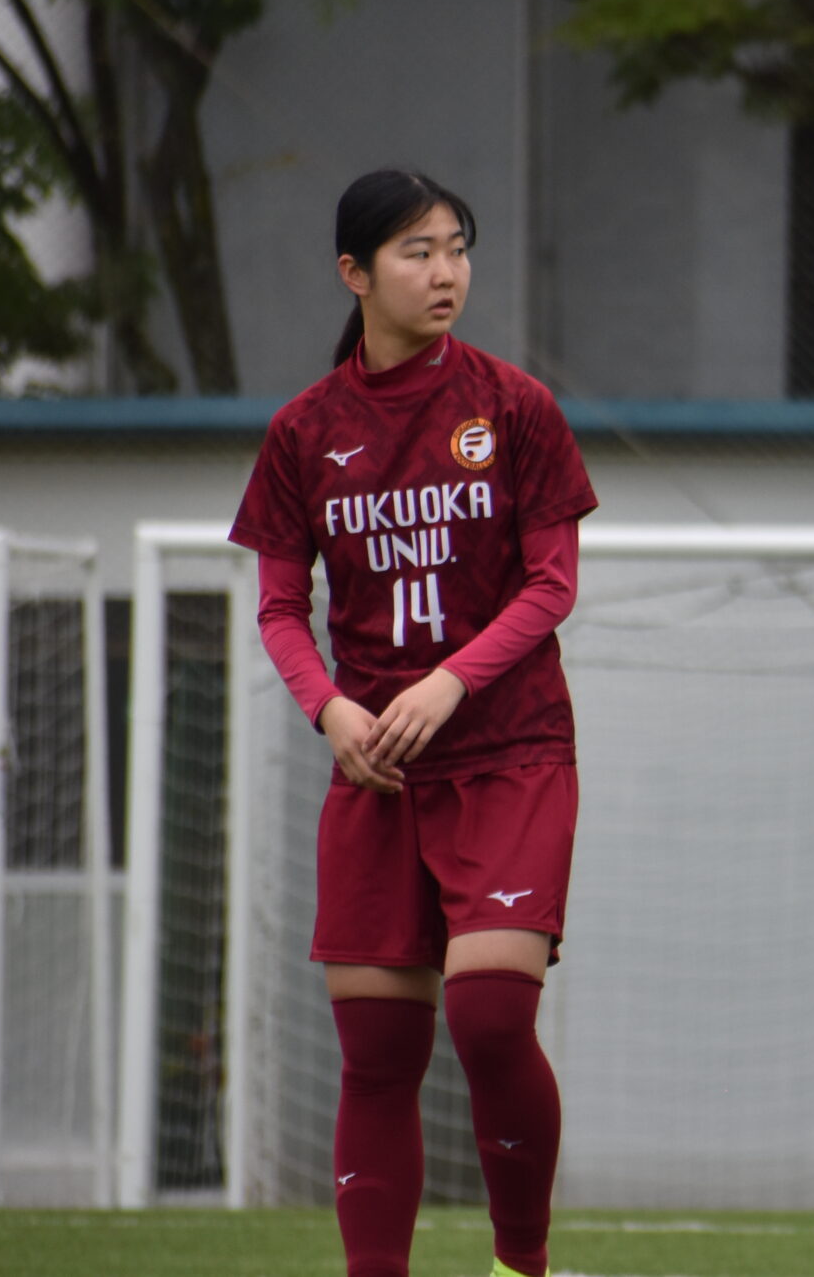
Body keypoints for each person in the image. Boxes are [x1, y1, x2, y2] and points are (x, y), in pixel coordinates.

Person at [231, 170, 597, 1277]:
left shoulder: (515, 406)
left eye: (456, 248)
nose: (446, 273)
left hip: (510, 757)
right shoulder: (302, 432)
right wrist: (330, 708)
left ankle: (520, 1266)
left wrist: (449, 683)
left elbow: (552, 583)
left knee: (489, 1020)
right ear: (354, 273)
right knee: (378, 1053)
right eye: (416, 252)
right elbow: (280, 608)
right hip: (378, 775)